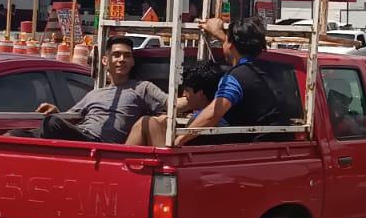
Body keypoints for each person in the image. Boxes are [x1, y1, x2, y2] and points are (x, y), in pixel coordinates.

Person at [176, 15, 295, 144]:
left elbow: (213, 113)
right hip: (283, 144)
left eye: (226, 40)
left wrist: (180, 139)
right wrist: (221, 35)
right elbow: (238, 50)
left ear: (231, 44)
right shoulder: (275, 69)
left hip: (253, 149)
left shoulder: (234, 78)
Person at [36, 36, 168, 143]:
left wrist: (188, 100)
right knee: (19, 133)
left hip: (101, 143)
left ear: (132, 61)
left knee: (51, 122)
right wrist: (56, 112)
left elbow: (173, 104)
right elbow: (69, 119)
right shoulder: (94, 93)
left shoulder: (142, 87)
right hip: (83, 134)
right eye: (116, 55)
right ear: (105, 60)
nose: (122, 60)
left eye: (127, 56)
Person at [126, 58, 224, 148]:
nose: (185, 94)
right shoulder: (221, 115)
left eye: (187, 90)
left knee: (147, 122)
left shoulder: (198, 122)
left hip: (181, 162)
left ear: (200, 93)